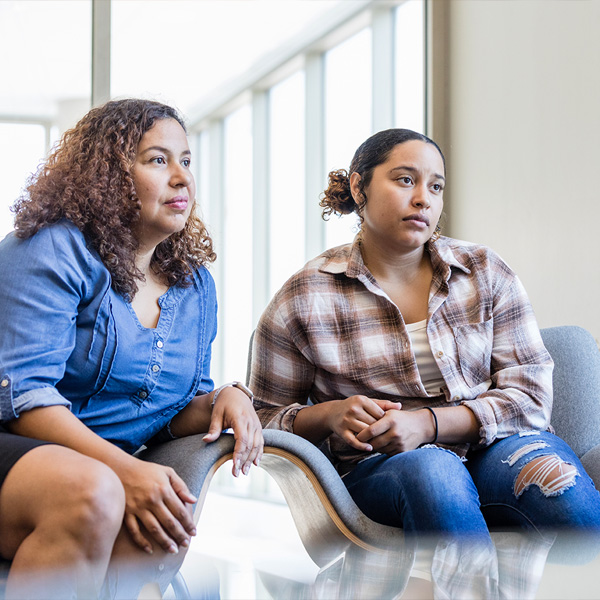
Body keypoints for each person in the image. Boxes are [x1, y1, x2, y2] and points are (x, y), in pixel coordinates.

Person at [249, 128, 600, 598]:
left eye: (435, 186)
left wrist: (428, 424)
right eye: (404, 180)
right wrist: (329, 415)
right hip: (383, 469)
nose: (423, 199)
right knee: (435, 474)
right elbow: (261, 420)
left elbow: (531, 396)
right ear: (359, 187)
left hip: (494, 446)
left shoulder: (484, 271)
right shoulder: (303, 297)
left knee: (565, 497)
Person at [0, 98, 263, 599]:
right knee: (95, 492)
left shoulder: (195, 284)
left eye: (186, 160)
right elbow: (22, 397)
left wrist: (223, 401)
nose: (182, 178)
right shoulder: (49, 247)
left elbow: (169, 407)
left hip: (97, 464)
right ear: (107, 173)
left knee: (158, 526)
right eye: (158, 160)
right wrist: (126, 471)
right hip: (17, 448)